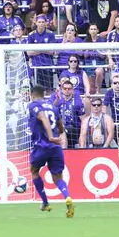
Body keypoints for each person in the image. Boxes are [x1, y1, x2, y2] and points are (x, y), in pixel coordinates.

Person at [27, 84, 74, 217]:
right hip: (56, 148)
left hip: (42, 145)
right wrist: (56, 134)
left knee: (34, 171)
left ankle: (45, 202)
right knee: (58, 177)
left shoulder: (33, 105)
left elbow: (44, 118)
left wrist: (50, 136)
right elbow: (60, 127)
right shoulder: (53, 107)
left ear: (32, 95)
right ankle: (67, 197)